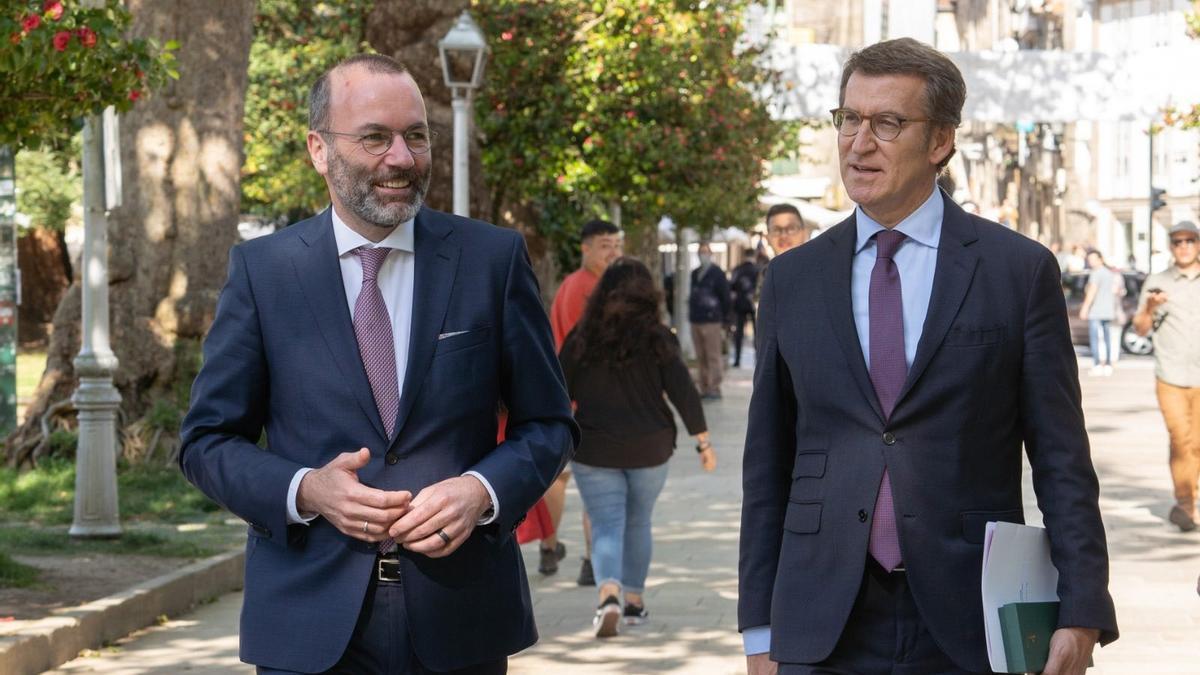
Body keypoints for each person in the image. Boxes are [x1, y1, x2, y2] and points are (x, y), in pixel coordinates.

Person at [179, 54, 578, 674]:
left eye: (415, 135)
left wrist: (481, 491)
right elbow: (205, 441)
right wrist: (305, 488)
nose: (401, 157)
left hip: (460, 619)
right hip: (308, 623)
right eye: (374, 137)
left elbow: (549, 424)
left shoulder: (490, 259)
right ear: (319, 149)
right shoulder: (264, 272)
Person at [738, 38, 1117, 675]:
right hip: (819, 617)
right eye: (849, 119)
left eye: (887, 123)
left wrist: (1080, 608)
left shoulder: (1016, 272)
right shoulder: (792, 280)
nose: (859, 143)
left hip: (970, 615)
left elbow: (1061, 458)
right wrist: (758, 629)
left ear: (940, 142)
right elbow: (767, 467)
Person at [558, 257, 716, 638]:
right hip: (651, 447)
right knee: (638, 521)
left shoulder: (582, 337)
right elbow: (683, 390)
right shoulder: (659, 337)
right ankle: (634, 602)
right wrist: (703, 443)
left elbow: (558, 388)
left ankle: (607, 594)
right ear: (648, 294)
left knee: (606, 523)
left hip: (595, 448)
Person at [547, 219, 621, 583]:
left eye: (616, 245)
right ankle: (592, 562)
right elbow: (589, 351)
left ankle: (549, 547)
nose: (614, 251)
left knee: (558, 478)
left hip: (567, 396)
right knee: (597, 480)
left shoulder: (570, 286)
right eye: (605, 244)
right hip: (590, 401)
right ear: (586, 248)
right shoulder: (587, 290)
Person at [1133, 220, 1200, 533]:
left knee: (1196, 442)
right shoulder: (1158, 282)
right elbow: (1141, 328)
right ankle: (1185, 504)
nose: (1184, 246)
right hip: (1170, 375)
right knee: (1180, 438)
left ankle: (1188, 500)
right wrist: (1149, 305)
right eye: (1178, 241)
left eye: (1190, 240)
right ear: (1171, 246)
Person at [688, 242, 731, 400]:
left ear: (711, 254)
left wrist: (726, 319)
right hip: (696, 319)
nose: (703, 255)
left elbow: (725, 297)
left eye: (706, 252)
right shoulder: (694, 274)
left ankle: (715, 387)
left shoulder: (717, 273)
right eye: (701, 252)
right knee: (701, 356)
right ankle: (704, 387)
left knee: (713, 355)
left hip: (712, 320)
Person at [1079, 249, 1124, 376]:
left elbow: (1092, 291)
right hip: (1108, 310)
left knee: (1095, 338)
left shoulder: (1096, 273)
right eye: (1090, 260)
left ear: (1100, 259)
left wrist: (1085, 308)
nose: (1091, 262)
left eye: (1093, 259)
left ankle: (1098, 364)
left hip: (1096, 310)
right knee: (1107, 337)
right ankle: (1108, 364)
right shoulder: (1109, 273)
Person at [729, 248, 760, 368]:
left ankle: (737, 360)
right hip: (754, 306)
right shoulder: (757, 269)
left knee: (739, 333)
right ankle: (758, 360)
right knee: (757, 334)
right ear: (753, 256)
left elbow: (732, 288)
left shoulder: (738, 270)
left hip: (740, 305)